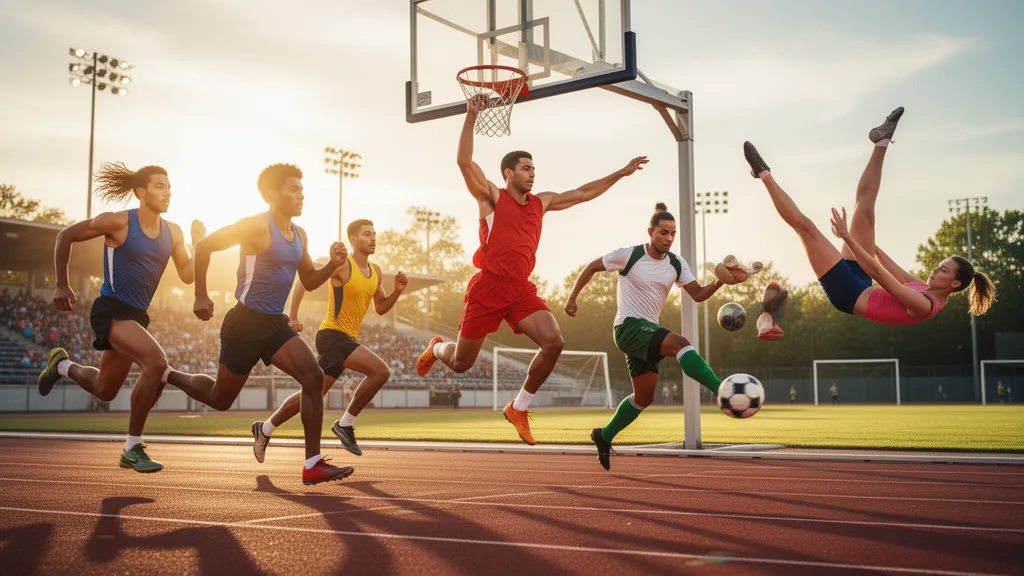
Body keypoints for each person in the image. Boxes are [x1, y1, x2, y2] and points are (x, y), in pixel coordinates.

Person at [414, 93, 648, 445]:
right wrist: (471, 115)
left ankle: (519, 407)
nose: (532, 174)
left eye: (534, 169)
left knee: (554, 342)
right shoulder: (491, 197)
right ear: (508, 173)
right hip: (489, 287)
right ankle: (435, 348)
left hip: (521, 288)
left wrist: (622, 172)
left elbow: (584, 193)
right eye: (526, 168)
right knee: (462, 362)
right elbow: (464, 161)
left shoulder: (543, 203)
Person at [164, 163, 351, 485]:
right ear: (273, 194)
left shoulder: (299, 234)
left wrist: (332, 266)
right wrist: (200, 295)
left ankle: (312, 463)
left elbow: (308, 278)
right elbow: (206, 245)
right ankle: (167, 375)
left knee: (313, 377)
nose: (301, 195)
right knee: (221, 399)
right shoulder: (255, 226)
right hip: (245, 322)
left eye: (302, 190)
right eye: (293, 189)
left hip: (275, 324)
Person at [743, 107, 996, 325]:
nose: (934, 269)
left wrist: (847, 236)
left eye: (943, 270)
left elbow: (877, 271)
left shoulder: (925, 305)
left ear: (953, 284)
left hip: (848, 293)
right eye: (939, 265)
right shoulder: (923, 287)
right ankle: (882, 141)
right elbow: (886, 265)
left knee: (806, 227)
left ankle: (763, 174)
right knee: (866, 210)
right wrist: (867, 239)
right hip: (862, 281)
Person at [37, 162, 204, 472]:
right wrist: (62, 283)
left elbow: (186, 275)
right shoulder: (118, 222)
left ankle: (61, 364)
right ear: (141, 192)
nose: (167, 192)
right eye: (159, 186)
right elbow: (65, 235)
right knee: (155, 362)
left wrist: (198, 244)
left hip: (136, 316)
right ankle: (132, 447)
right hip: (111, 310)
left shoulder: (174, 232)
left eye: (169, 186)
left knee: (104, 389)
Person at [564, 203, 729, 470]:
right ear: (650, 232)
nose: (669, 238)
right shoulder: (628, 255)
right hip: (628, 327)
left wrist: (721, 281)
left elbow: (697, 294)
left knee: (644, 398)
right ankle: (721, 391)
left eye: (672, 234)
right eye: (663, 232)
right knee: (681, 344)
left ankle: (603, 436)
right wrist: (572, 298)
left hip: (647, 331)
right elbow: (591, 267)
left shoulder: (676, 263)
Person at [251, 219, 408, 461]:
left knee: (313, 394)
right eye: (367, 234)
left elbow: (381, 307)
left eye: (374, 234)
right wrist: (292, 316)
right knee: (381, 372)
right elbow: (305, 281)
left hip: (345, 339)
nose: (373, 238)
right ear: (354, 240)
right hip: (332, 336)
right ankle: (345, 424)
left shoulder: (375, 272)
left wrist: (396, 292)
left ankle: (264, 429)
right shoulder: (342, 265)